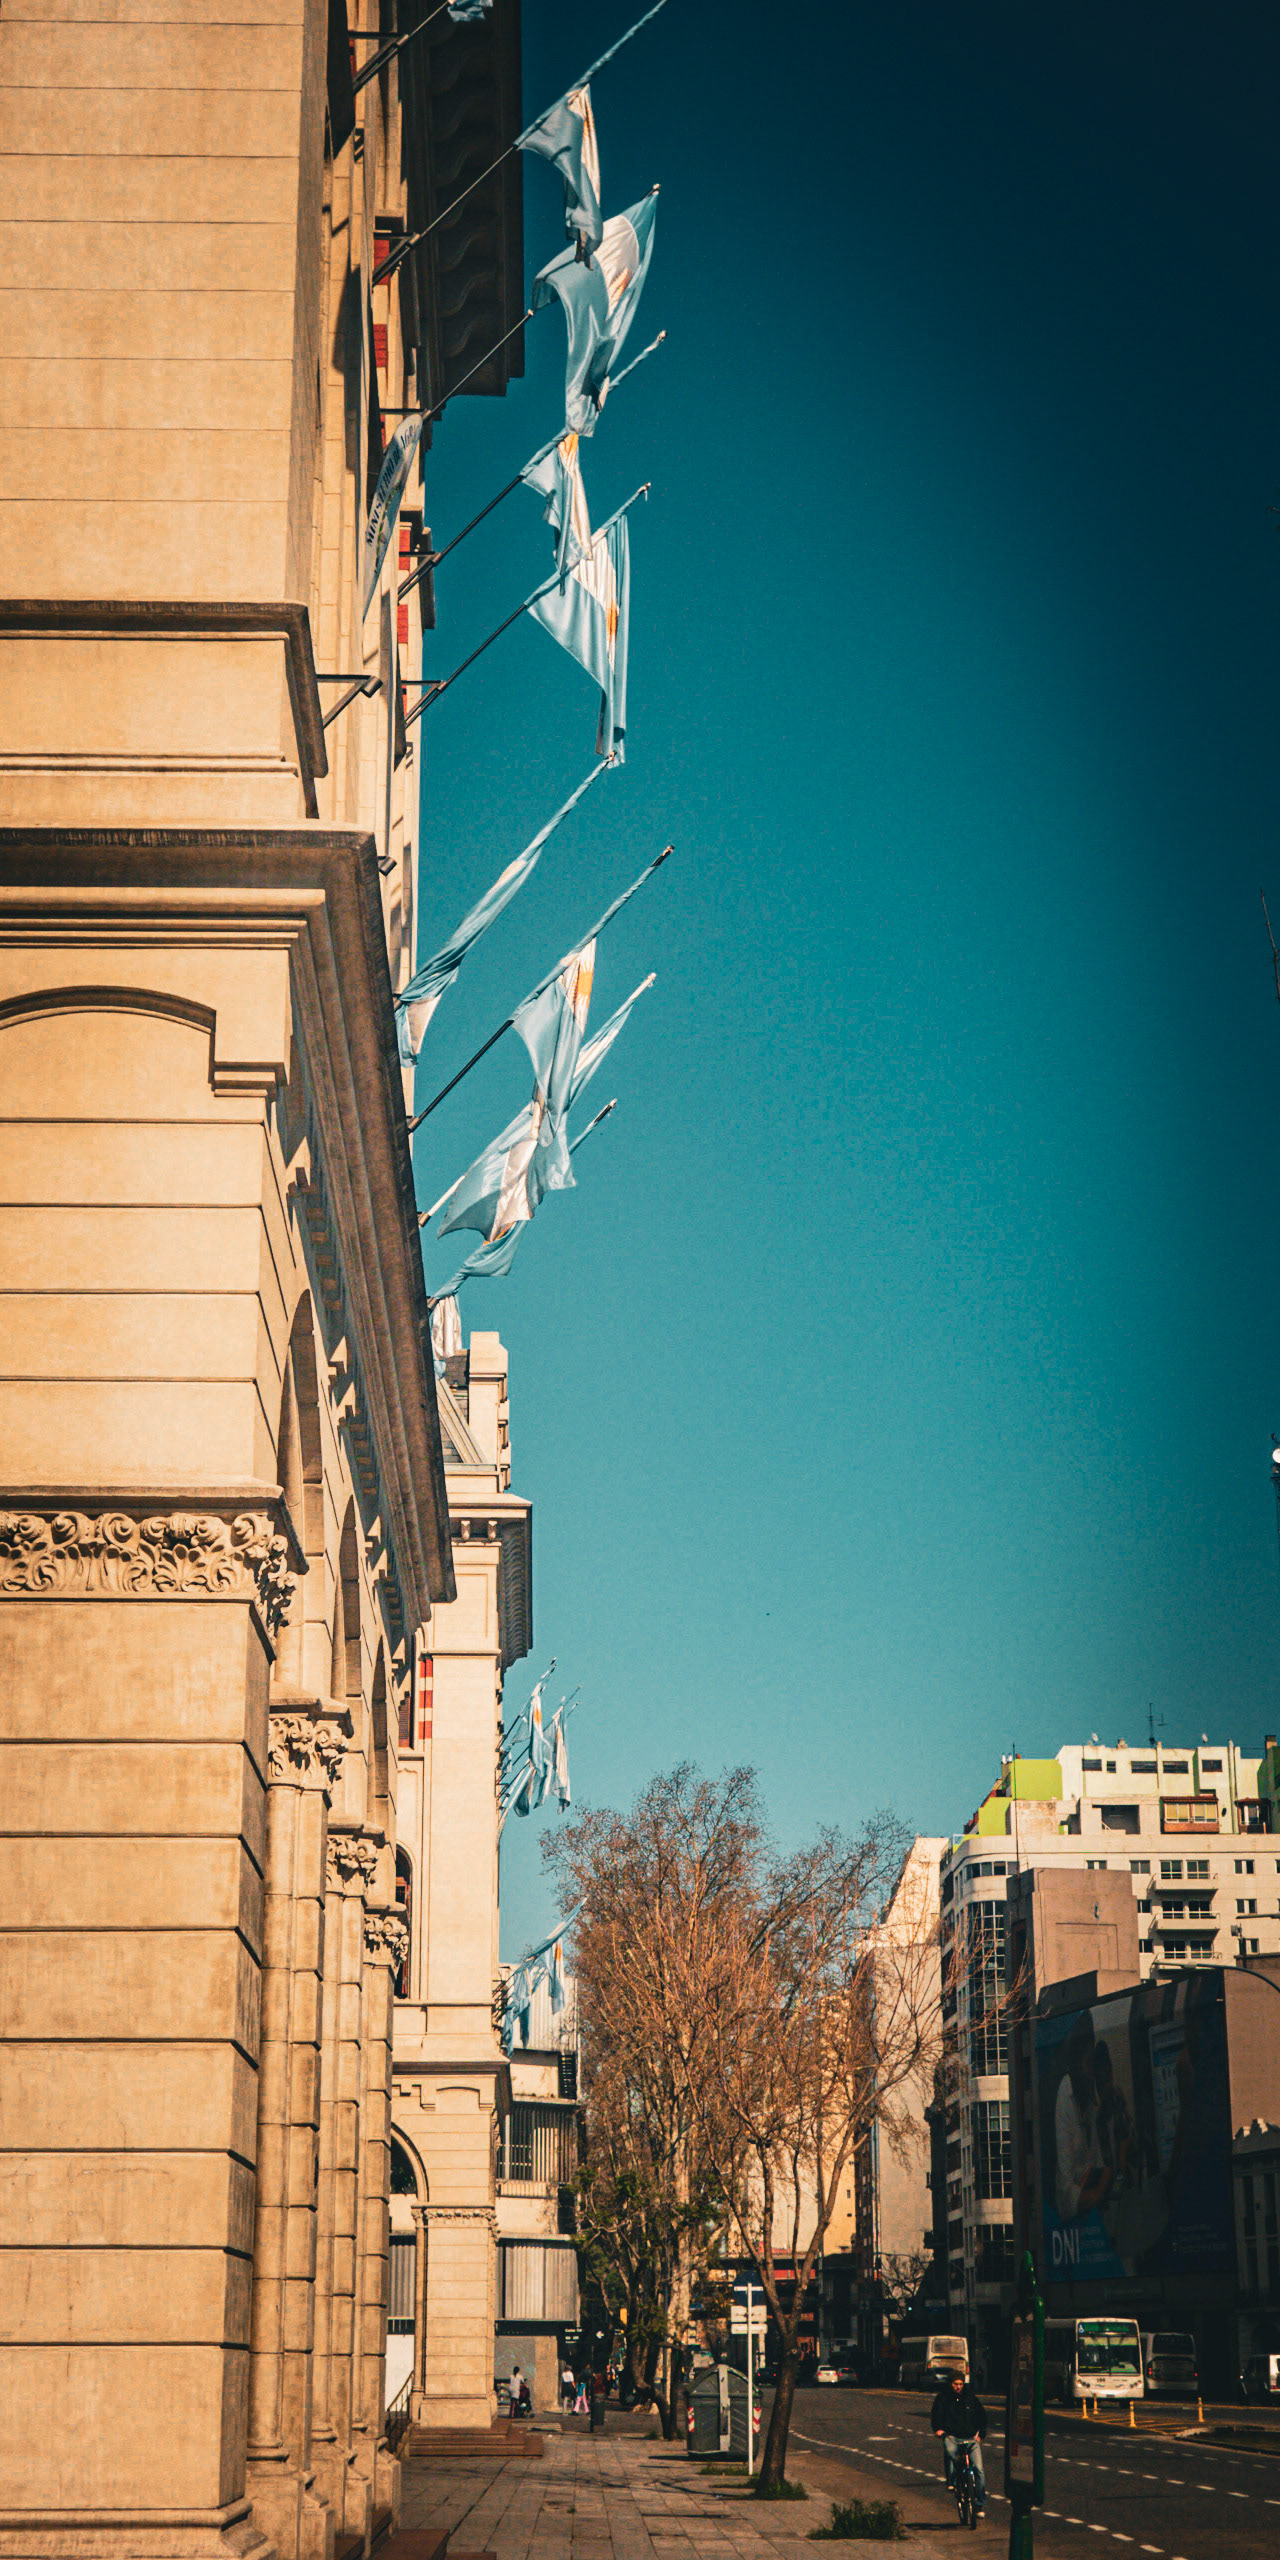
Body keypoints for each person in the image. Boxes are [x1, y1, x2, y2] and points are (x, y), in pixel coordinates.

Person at [931, 2370, 987, 2514]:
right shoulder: (943, 2398)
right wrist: (938, 2430)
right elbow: (936, 2414)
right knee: (950, 2452)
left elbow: (981, 2415)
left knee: (979, 2470)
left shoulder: (970, 2398)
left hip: (970, 2438)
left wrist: (981, 2433)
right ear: (950, 2384)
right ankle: (952, 2481)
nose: (958, 2387)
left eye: (961, 2384)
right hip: (952, 2436)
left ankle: (979, 2503)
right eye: (956, 2384)